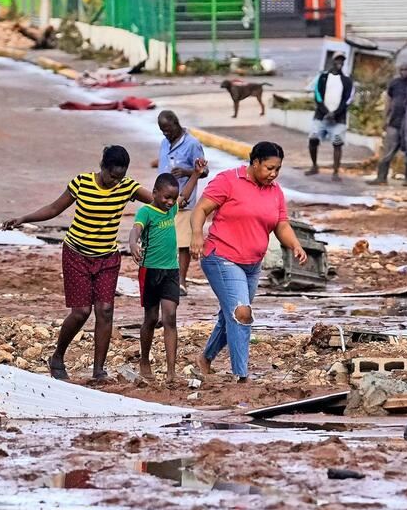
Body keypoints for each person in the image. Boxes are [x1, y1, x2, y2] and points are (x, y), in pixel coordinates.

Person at [3, 145, 154, 382]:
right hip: (76, 254)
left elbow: (158, 200)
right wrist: (24, 218)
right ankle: (58, 356)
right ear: (102, 167)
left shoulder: (127, 187)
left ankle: (98, 370)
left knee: (105, 310)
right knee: (81, 312)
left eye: (120, 177)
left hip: (107, 257)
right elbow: (54, 208)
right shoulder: (81, 183)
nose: (115, 181)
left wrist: (178, 194)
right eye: (112, 176)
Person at [190, 142, 307, 383]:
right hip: (221, 257)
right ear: (255, 163)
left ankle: (205, 359)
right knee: (242, 313)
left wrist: (295, 245)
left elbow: (281, 224)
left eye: (278, 169)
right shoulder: (228, 180)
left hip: (252, 264)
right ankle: (241, 376)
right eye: (269, 168)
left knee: (231, 316)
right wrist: (196, 236)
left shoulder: (275, 191)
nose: (273, 174)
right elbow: (200, 209)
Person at [129, 169, 204, 381]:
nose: (171, 202)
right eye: (166, 197)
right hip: (150, 271)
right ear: (154, 193)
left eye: (173, 198)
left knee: (170, 316)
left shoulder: (171, 210)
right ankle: (144, 361)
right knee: (151, 318)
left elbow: (185, 195)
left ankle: (171, 371)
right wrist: (133, 243)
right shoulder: (146, 212)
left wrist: (196, 175)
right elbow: (135, 229)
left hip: (171, 271)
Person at [155, 110, 206, 294]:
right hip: (162, 201)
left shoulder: (192, 144)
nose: (166, 134)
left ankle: (181, 282)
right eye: (163, 131)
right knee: (164, 241)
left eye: (168, 130)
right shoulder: (164, 143)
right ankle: (165, 279)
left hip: (184, 200)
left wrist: (186, 172)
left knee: (183, 243)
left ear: (176, 124)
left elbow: (204, 171)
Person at [368, 62, 407, 187]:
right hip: (394, 123)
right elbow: (389, 101)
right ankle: (381, 177)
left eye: (406, 69)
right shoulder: (394, 83)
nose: (404, 72)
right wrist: (385, 119)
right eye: (402, 69)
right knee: (387, 151)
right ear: (399, 71)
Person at [307, 53, 354, 181]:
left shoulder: (347, 80)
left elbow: (348, 99)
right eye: (337, 60)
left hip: (339, 119)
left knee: (337, 143)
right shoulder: (322, 77)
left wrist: (335, 113)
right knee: (313, 139)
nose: (340, 63)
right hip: (321, 116)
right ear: (332, 62)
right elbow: (317, 95)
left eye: (342, 61)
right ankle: (314, 165)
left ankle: (335, 172)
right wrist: (326, 111)